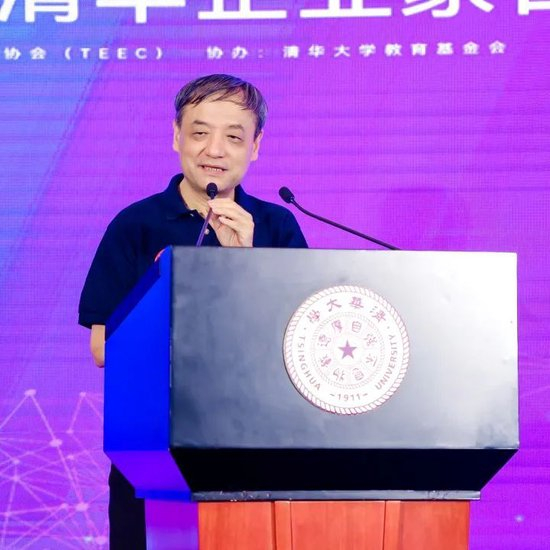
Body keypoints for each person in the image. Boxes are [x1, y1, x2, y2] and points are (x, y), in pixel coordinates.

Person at [78, 74, 307, 548]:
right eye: (200, 132)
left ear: (255, 147)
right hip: (153, 451)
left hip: (257, 448)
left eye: (234, 137)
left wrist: (244, 267)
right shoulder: (136, 225)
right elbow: (102, 347)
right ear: (176, 136)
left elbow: (297, 351)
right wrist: (168, 289)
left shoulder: (276, 226)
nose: (214, 150)